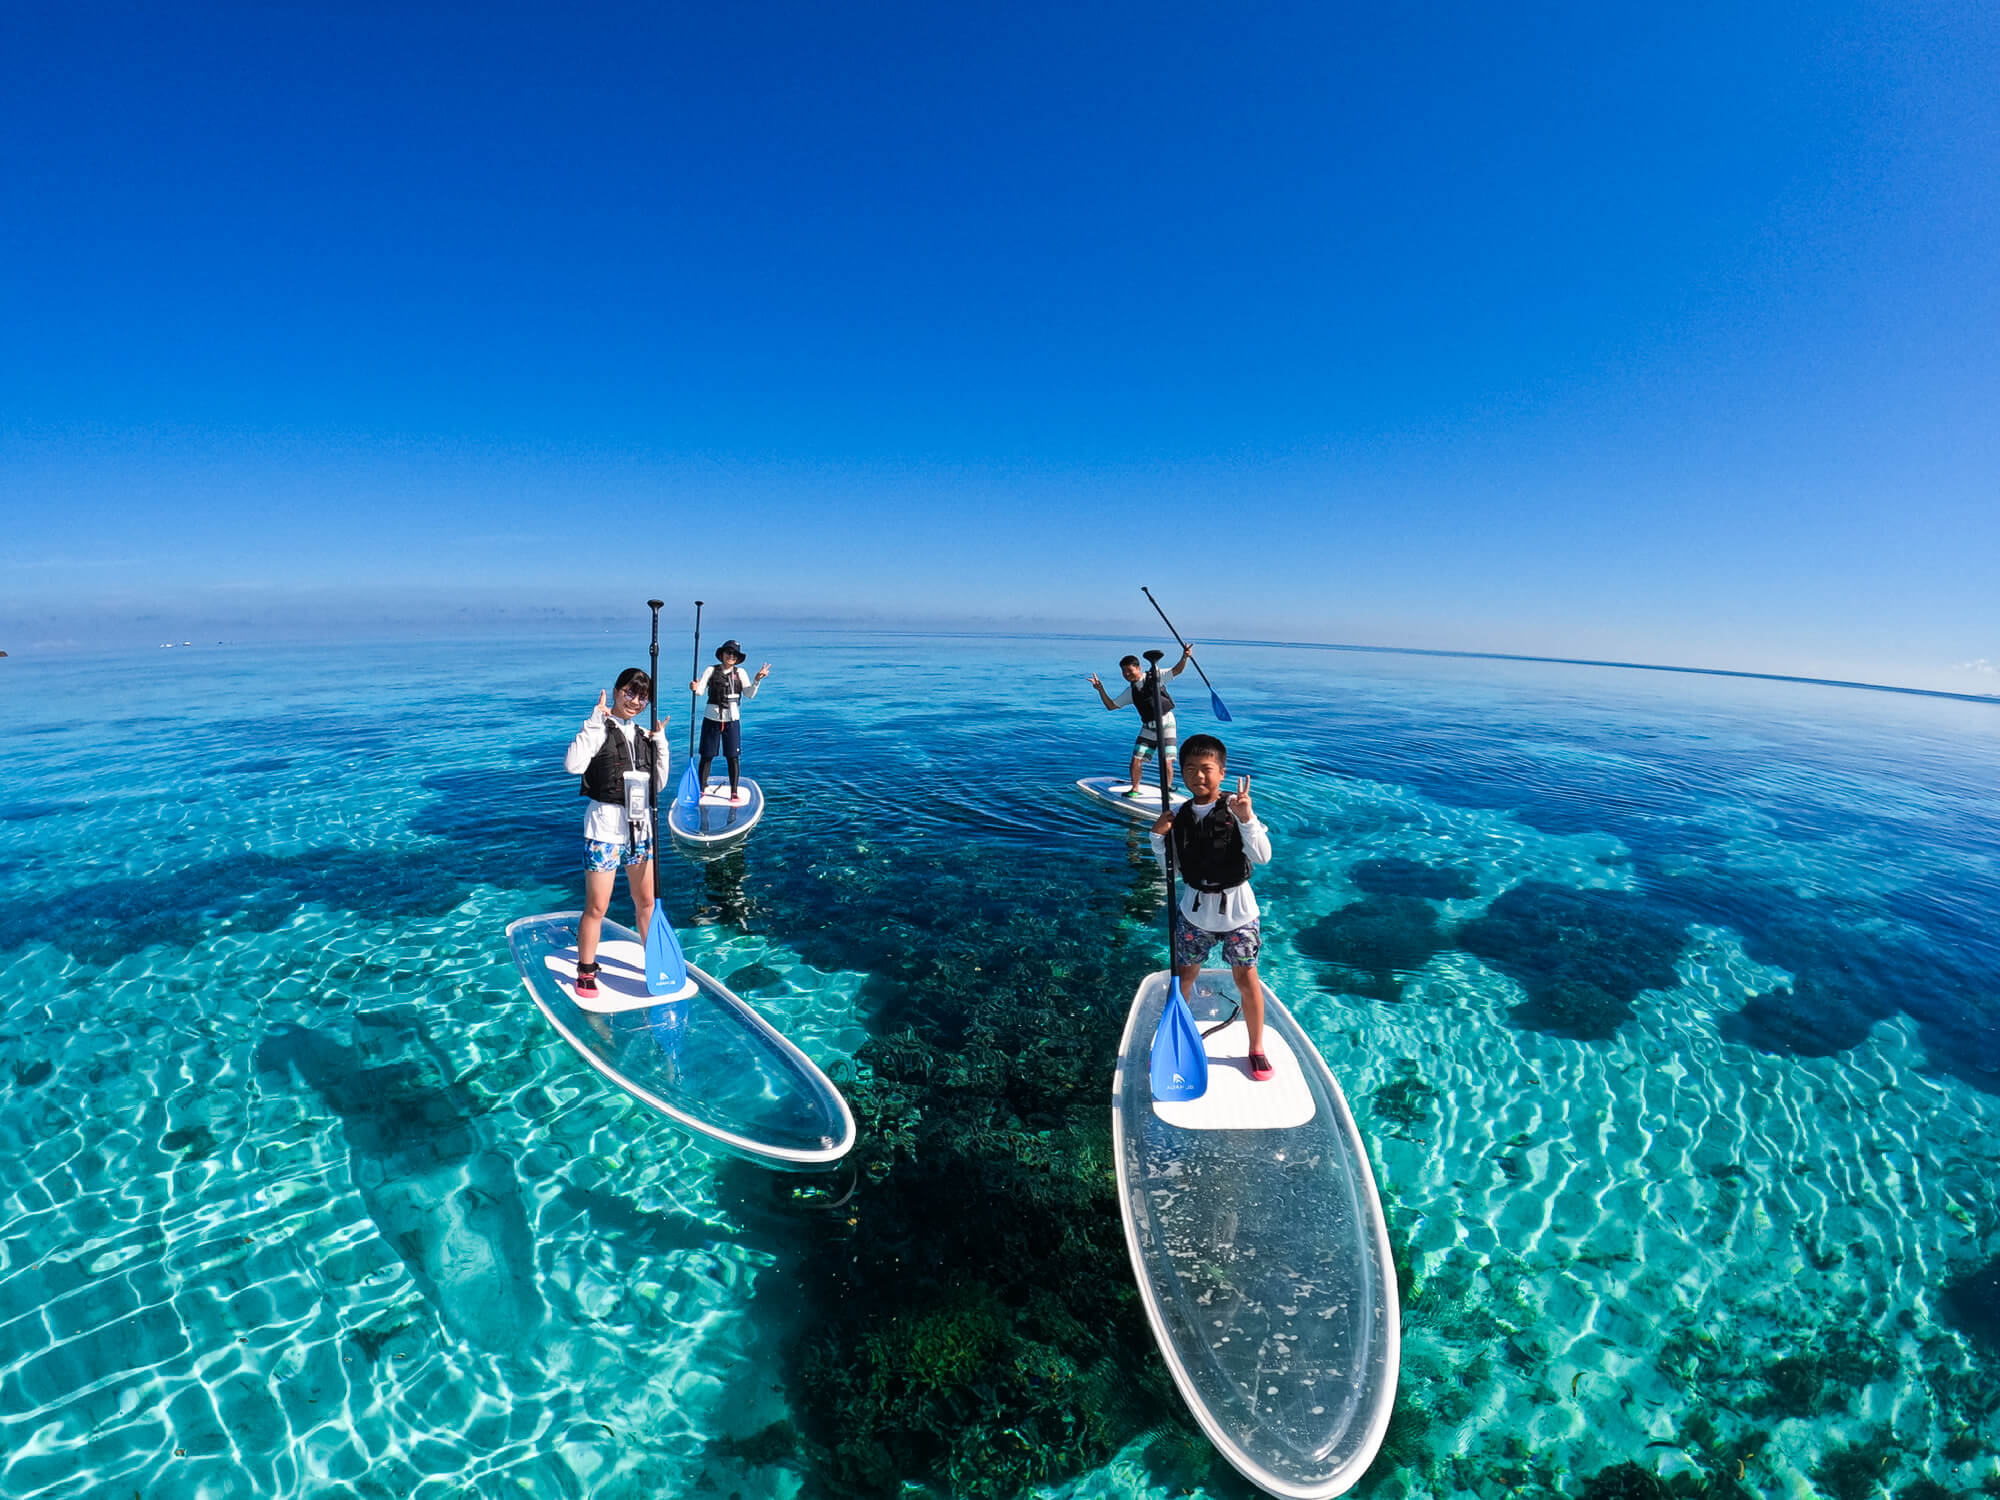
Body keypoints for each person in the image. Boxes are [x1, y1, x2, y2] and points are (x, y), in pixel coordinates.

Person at [1150, 733, 1275, 1080]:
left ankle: (1256, 1047)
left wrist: (1248, 819)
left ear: (1222, 772)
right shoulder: (1178, 816)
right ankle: (1176, 1038)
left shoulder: (1236, 810)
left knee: (1246, 978)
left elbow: (1263, 856)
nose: (1198, 777)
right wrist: (1156, 839)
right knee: (1183, 978)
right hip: (1194, 912)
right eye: (1190, 769)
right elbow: (1170, 870)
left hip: (1239, 913)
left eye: (1207, 769)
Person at [562, 667, 670, 997]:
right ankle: (585, 970)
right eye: (629, 693)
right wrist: (594, 720)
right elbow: (573, 765)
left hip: (640, 830)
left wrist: (661, 743)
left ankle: (658, 963)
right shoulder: (599, 729)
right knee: (597, 906)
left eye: (642, 696)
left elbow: (659, 784)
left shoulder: (643, 736)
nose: (635, 701)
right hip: (604, 830)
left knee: (647, 902)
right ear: (617, 690)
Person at [1089, 643, 1194, 794]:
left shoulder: (1155, 676)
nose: (1126, 674)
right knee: (1136, 759)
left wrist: (1185, 656)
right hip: (1148, 726)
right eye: (1124, 672)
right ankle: (1135, 789)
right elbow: (1111, 706)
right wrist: (1101, 690)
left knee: (1166, 760)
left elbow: (1177, 670)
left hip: (1166, 722)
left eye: (1129, 670)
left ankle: (1167, 789)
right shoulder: (1130, 691)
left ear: (1138, 668)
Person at [689, 639, 770, 801]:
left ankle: (734, 791)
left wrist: (757, 680)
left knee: (733, 756)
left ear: (738, 658)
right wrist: (694, 688)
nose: (731, 656)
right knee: (707, 755)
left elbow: (749, 694)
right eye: (728, 652)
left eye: (734, 654)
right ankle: (701, 788)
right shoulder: (711, 670)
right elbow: (700, 691)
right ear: (722, 654)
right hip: (711, 719)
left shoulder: (741, 673)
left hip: (732, 720)